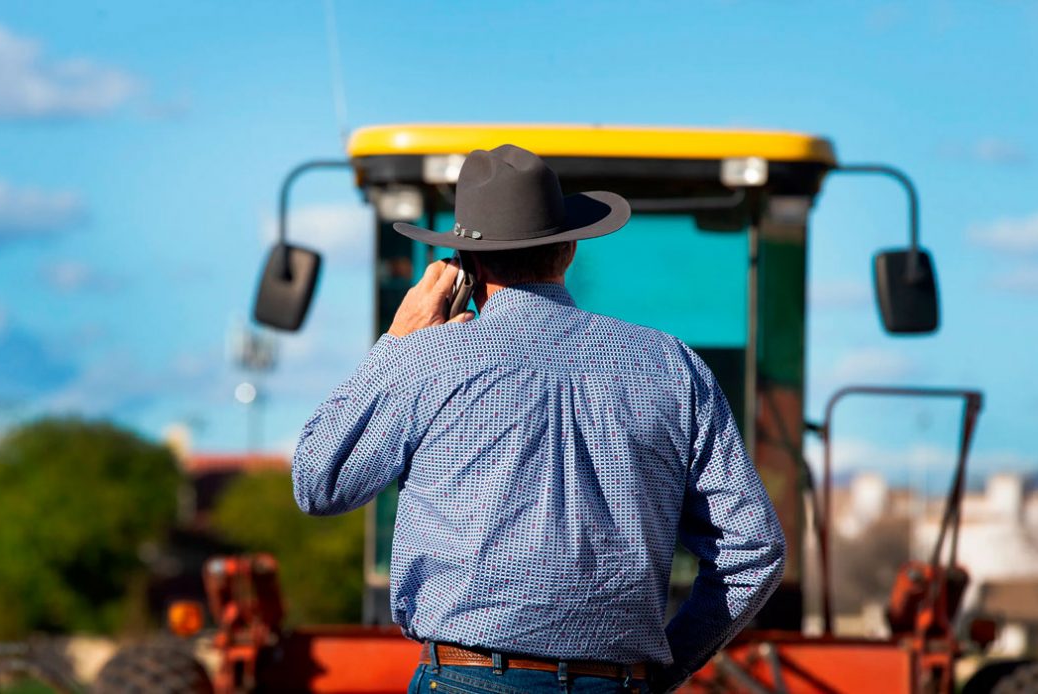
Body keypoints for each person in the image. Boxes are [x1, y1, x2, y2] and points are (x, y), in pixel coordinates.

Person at [292, 144, 785, 693]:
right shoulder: (672, 365)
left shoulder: (427, 359)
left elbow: (319, 483)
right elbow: (753, 550)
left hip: (465, 679)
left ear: (465, 266)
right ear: (569, 248)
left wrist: (396, 343)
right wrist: (663, 668)